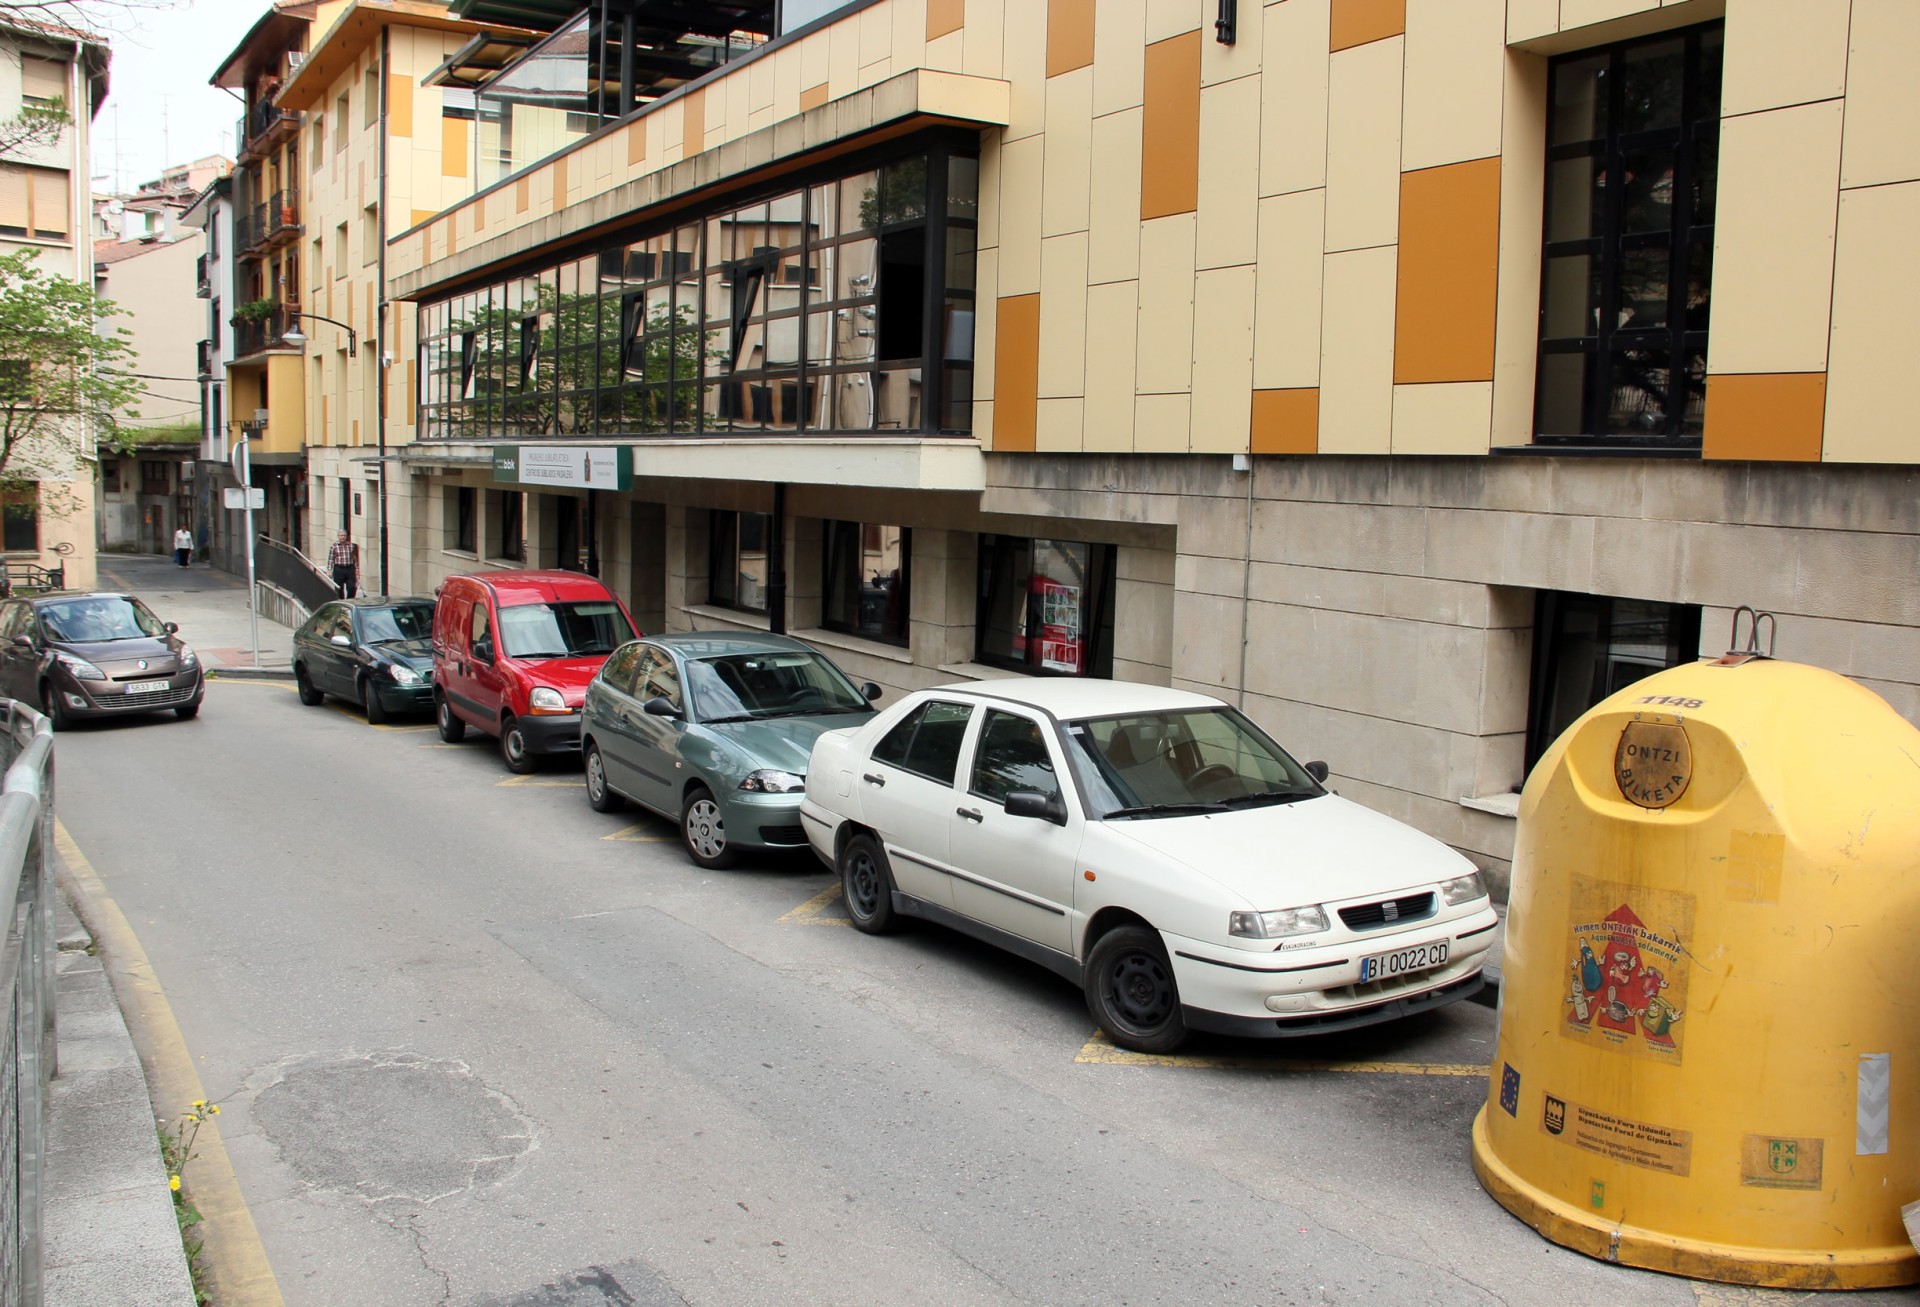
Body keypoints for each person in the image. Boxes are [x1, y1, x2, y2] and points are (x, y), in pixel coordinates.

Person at [328, 531, 360, 598]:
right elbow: (331, 558)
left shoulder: (351, 546)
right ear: (338, 536)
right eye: (341, 535)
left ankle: (349, 600)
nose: (342, 537)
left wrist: (357, 569)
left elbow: (355, 559)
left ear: (346, 536)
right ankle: (342, 603)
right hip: (339, 569)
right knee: (339, 589)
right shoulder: (334, 546)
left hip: (349, 569)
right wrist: (329, 569)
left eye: (344, 535)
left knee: (352, 587)